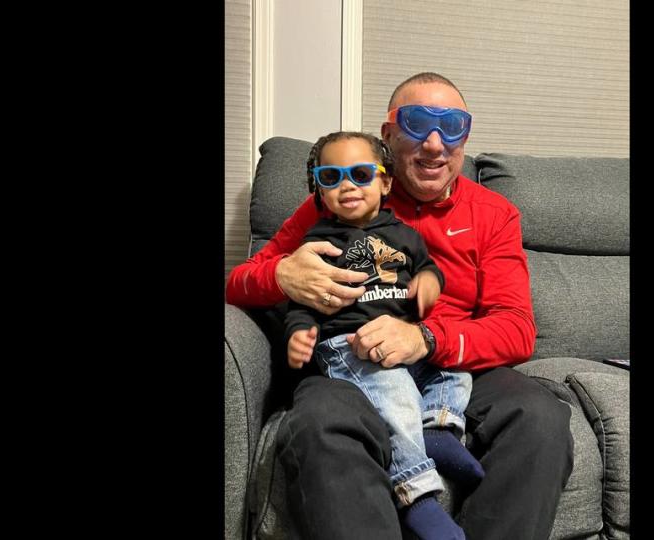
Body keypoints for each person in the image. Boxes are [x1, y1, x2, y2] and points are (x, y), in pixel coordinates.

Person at [226, 72, 573, 540]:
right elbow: (237, 285)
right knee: (318, 424)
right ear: (387, 137)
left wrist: (425, 338)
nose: (435, 144)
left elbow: (515, 328)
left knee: (541, 418)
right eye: (416, 124)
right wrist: (282, 274)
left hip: (451, 363)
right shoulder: (341, 199)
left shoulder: (493, 214)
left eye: (452, 126)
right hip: (350, 355)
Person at [285, 131, 482, 540]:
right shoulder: (319, 242)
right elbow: (302, 300)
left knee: (455, 371)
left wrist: (428, 282)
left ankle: (439, 430)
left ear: (385, 182)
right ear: (318, 188)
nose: (347, 186)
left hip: (405, 337)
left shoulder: (405, 235)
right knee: (394, 392)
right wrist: (301, 331)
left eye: (360, 173)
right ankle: (417, 494)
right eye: (331, 176)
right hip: (349, 344)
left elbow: (429, 266)